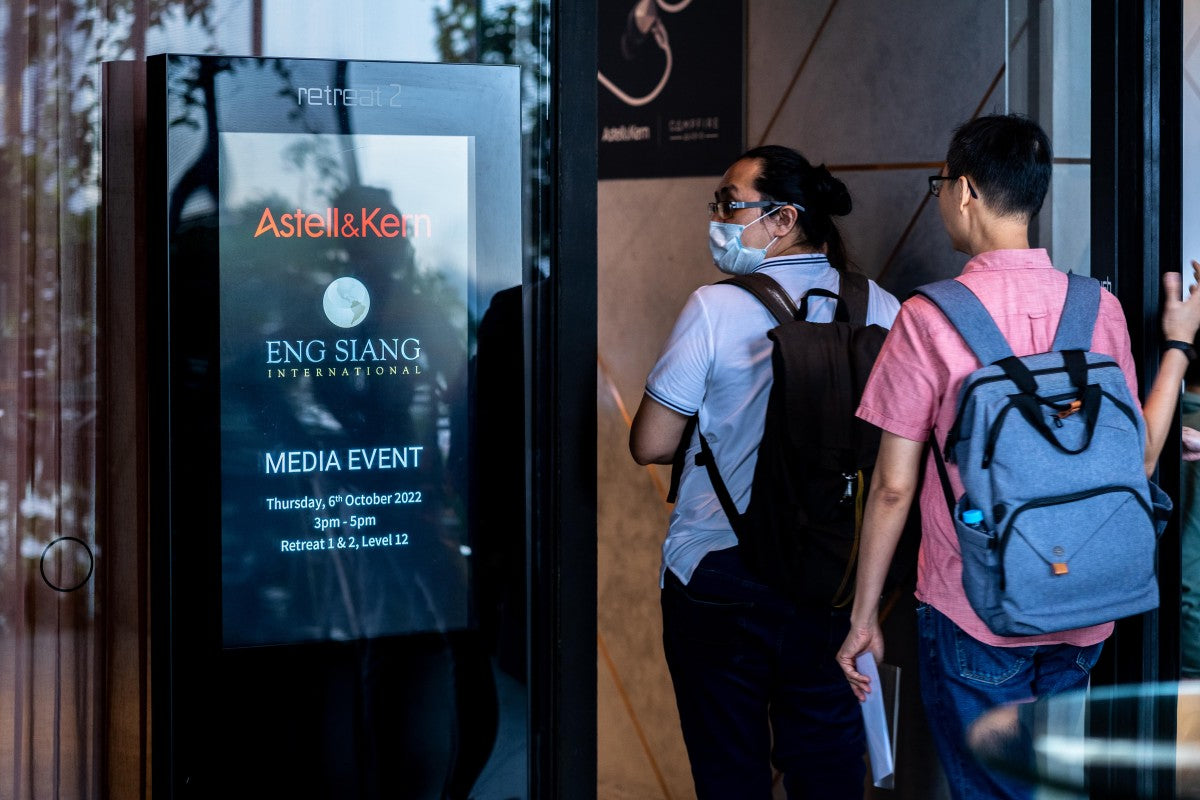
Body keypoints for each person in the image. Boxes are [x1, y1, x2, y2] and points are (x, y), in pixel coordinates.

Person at [834, 115, 1200, 800]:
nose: (942, 198)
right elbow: (1139, 461)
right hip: (1086, 604)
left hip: (977, 611)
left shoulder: (927, 317)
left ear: (966, 190)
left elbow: (891, 488)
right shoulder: (1098, 307)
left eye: (942, 185)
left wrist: (861, 619)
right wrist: (1177, 348)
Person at [629, 144, 900, 799]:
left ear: (782, 218)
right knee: (827, 769)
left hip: (720, 572)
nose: (717, 216)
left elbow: (650, 442)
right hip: (831, 575)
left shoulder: (716, 308)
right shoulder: (883, 309)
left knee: (731, 774)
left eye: (729, 203)